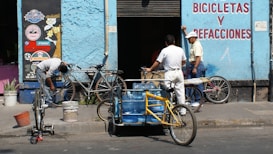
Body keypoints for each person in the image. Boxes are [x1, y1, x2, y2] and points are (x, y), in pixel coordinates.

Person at [144, 34, 187, 114]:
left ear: (166, 43)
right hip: (179, 72)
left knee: (167, 92)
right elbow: (184, 61)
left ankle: (169, 111)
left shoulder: (164, 50)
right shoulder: (180, 49)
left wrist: (150, 69)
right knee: (180, 92)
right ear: (174, 42)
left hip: (169, 73)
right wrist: (178, 65)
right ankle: (183, 111)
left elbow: (158, 61)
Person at [181, 26, 206, 107]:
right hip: (193, 65)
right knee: (189, 83)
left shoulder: (197, 45)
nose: (188, 40)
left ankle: (199, 101)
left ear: (193, 38)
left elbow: (198, 57)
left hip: (197, 65)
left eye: (189, 38)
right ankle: (189, 99)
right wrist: (185, 31)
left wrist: (195, 67)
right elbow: (189, 36)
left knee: (198, 83)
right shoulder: (193, 43)